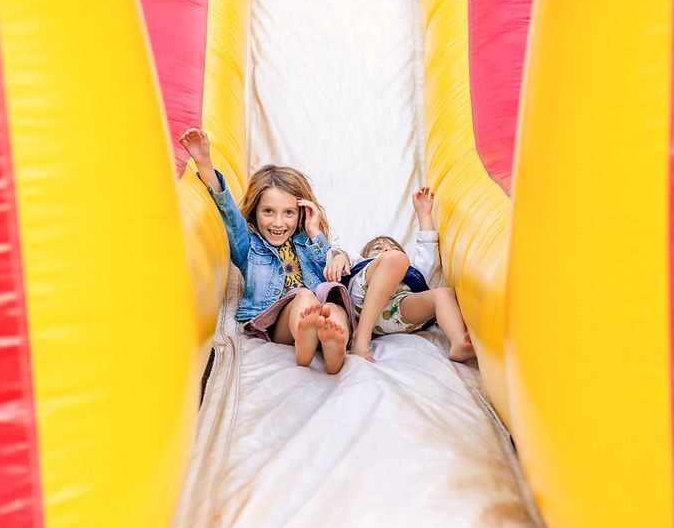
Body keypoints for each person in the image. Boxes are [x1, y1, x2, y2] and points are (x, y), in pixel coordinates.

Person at [179, 127, 355, 374]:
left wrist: (316, 233)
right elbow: (228, 211)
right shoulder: (249, 246)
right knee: (304, 298)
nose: (278, 223)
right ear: (255, 211)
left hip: (319, 308)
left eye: (289, 213)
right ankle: (305, 338)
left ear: (301, 212)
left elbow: (329, 272)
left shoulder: (307, 242)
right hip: (280, 319)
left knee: (333, 305)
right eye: (268, 211)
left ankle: (333, 347)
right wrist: (204, 161)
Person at [326, 187, 474, 363]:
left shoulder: (409, 273)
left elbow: (427, 253)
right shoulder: (360, 262)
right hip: (364, 299)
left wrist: (424, 214)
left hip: (397, 312)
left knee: (444, 294)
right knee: (394, 260)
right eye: (378, 249)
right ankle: (361, 338)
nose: (387, 249)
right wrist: (340, 257)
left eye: (392, 247)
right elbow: (343, 260)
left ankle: (457, 342)